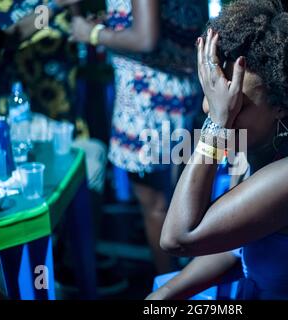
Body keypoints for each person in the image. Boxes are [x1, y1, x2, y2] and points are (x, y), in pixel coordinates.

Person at [148, 0, 288, 300]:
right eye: (214, 95)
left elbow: (178, 238)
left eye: (237, 104)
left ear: (282, 107)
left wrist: (217, 124)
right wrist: (162, 297)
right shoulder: (260, 153)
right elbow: (232, 248)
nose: (213, 108)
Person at [69, 0, 208, 273]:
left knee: (156, 206)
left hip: (149, 101)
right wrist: (116, 23)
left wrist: (92, 34)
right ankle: (193, 279)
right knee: (183, 200)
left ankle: (169, 291)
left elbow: (146, 38)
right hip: (180, 92)